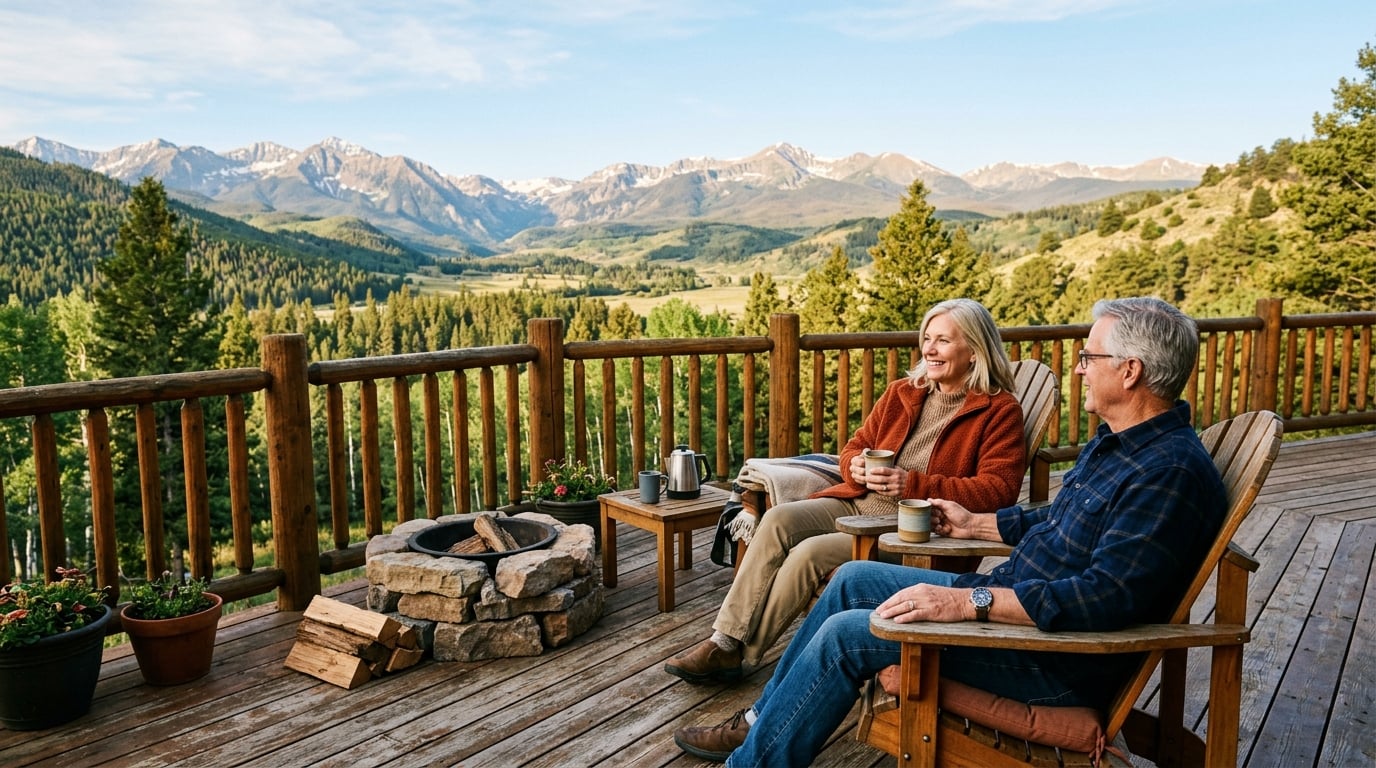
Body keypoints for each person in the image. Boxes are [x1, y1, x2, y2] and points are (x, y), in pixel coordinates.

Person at [673, 296, 1228, 766]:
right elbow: (1059, 518)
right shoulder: (1120, 445)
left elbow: (1103, 598)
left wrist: (966, 602)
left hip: (1049, 654)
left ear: (1130, 371)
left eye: (1089, 357)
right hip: (1013, 606)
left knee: (849, 633)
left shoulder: (1167, 473)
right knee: (852, 580)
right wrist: (976, 523)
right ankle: (761, 721)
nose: (1080, 368)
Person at [665, 298, 1027, 685]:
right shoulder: (904, 392)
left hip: (912, 529)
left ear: (974, 350)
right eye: (927, 338)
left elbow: (998, 491)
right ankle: (723, 640)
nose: (930, 349)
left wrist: (912, 484)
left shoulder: (999, 411)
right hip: (857, 502)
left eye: (943, 341)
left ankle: (742, 654)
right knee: (778, 519)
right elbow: (856, 445)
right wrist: (853, 464)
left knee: (809, 553)